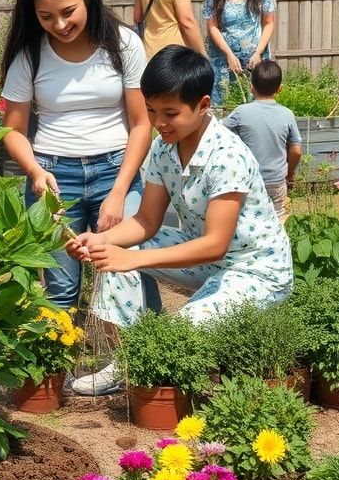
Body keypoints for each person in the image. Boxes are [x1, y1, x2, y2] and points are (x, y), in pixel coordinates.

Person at [0, 0, 155, 395]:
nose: (60, 24)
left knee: (125, 272)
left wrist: (120, 190)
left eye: (68, 12)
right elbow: (12, 131)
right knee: (60, 285)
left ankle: (135, 373)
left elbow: (141, 123)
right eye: (46, 16)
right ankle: (52, 377)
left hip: (115, 169)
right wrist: (33, 170)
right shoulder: (30, 55)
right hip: (53, 177)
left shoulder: (124, 44)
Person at [66, 46, 293, 326]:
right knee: (115, 252)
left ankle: (144, 360)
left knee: (185, 327)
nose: (158, 123)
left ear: (203, 105)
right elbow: (146, 220)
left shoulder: (227, 155)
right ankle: (120, 359)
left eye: (170, 113)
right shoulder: (163, 149)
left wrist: (132, 259)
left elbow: (215, 245)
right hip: (206, 261)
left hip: (254, 269)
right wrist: (100, 240)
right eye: (151, 110)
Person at [222, 60, 301, 224]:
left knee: (249, 219)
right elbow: (296, 151)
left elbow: (219, 131)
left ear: (251, 86)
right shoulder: (287, 114)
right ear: (280, 88)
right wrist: (290, 172)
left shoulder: (241, 112)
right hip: (277, 179)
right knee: (278, 217)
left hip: (249, 179)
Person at [202, 0, 276, 105]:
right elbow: (212, 27)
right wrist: (229, 54)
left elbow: (269, 23)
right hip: (223, 62)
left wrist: (258, 52)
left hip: (254, 61)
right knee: (224, 104)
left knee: (255, 105)